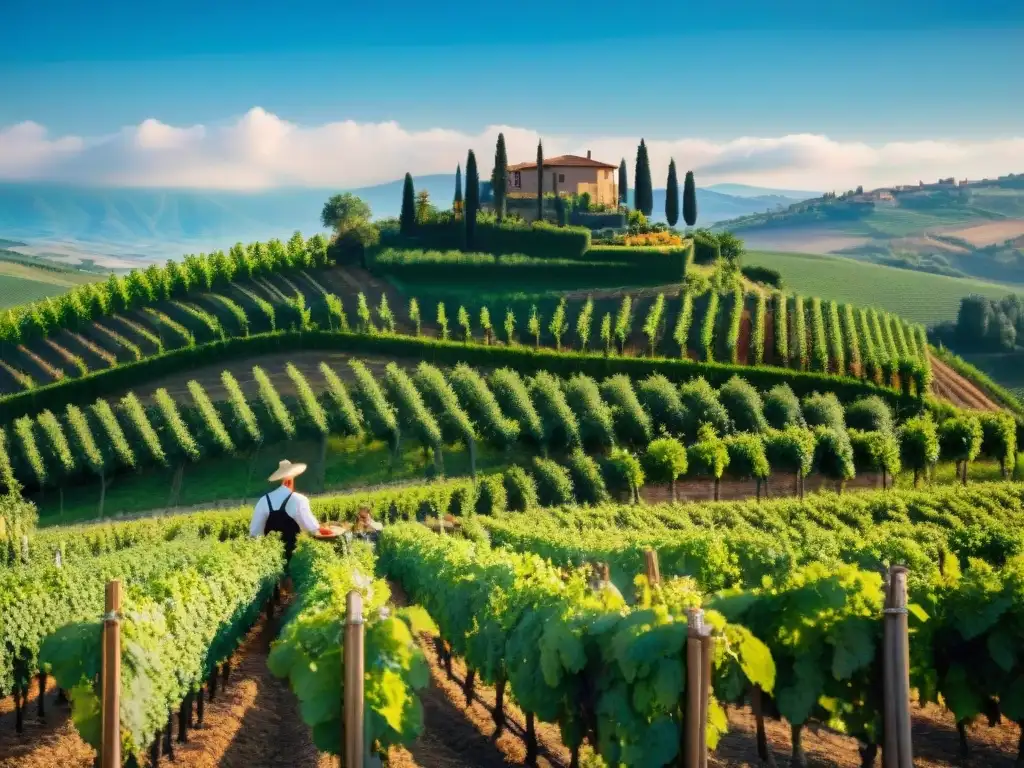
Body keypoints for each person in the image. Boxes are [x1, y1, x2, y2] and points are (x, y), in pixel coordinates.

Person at [250, 459, 320, 560]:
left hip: (271, 558)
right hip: (295, 557)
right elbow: (312, 529)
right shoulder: (299, 500)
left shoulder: (264, 500)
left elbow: (255, 533)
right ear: (291, 479)